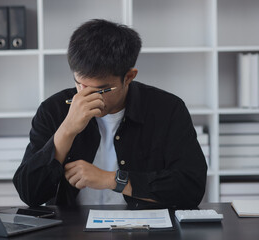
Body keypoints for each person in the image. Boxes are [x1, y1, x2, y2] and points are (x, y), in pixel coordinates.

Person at [13, 19, 207, 209]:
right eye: (79, 84)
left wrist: (113, 180)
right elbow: (30, 194)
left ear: (129, 77)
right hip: (72, 230)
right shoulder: (53, 109)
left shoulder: (168, 109)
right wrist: (67, 130)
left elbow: (191, 188)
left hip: (145, 228)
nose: (85, 95)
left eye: (100, 90)